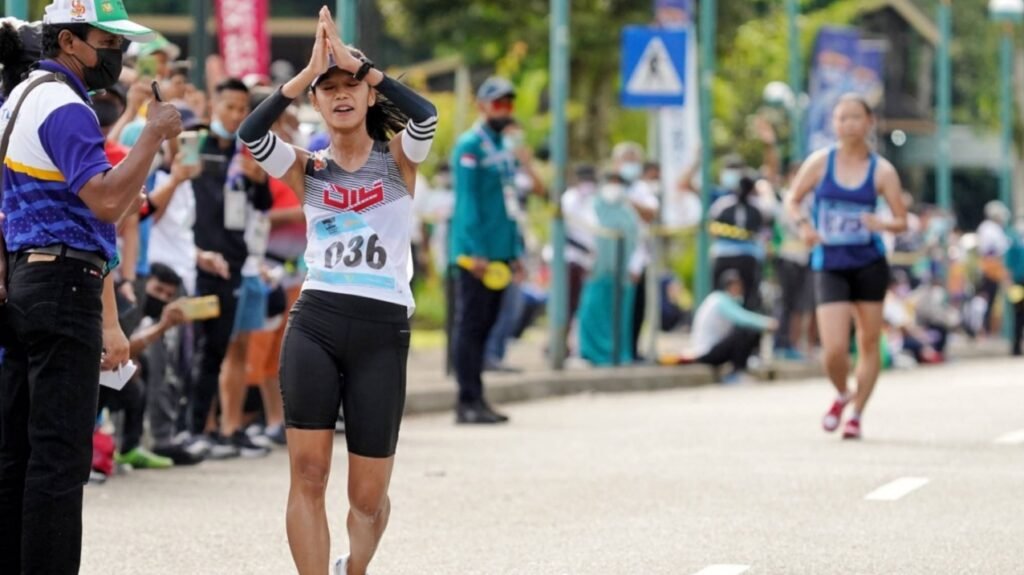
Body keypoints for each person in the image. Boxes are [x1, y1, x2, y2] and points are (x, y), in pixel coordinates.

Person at [238, 7, 436, 574]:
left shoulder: (399, 159)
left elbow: (426, 117)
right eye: (330, 90)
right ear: (317, 104)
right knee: (308, 474)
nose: (341, 94)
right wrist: (302, 79)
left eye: (351, 86)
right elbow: (250, 134)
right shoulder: (307, 167)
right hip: (317, 321)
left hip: (382, 329)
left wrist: (363, 66)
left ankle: (356, 567)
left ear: (370, 97)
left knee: (367, 498)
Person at [0, 2, 181, 572]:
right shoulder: (63, 105)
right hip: (64, 287)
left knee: (17, 453)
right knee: (58, 455)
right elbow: (103, 200)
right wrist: (152, 135)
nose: (118, 54)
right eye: (108, 40)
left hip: (25, 280)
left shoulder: (18, 99)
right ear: (70, 42)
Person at [785, 93, 907, 441]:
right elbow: (793, 200)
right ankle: (841, 393)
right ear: (833, 124)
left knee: (869, 342)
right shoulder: (820, 163)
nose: (848, 124)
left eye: (855, 117)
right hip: (831, 263)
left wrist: (881, 224)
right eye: (841, 118)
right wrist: (805, 225)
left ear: (869, 122)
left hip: (868, 262)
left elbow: (901, 219)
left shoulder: (882, 170)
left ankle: (856, 415)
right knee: (835, 347)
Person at [186, 77, 273, 459]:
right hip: (196, 262)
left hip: (235, 264)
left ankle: (219, 429)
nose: (237, 115)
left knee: (221, 347)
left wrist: (258, 179)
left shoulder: (249, 150)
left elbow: (263, 206)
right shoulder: (195, 144)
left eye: (243, 109)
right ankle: (189, 428)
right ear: (213, 107)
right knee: (193, 347)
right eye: (230, 107)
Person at [448, 75, 524, 424]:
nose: (504, 110)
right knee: (471, 326)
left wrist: (515, 250)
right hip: (475, 255)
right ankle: (466, 401)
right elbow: (467, 203)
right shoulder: (470, 146)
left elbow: (510, 205)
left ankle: (478, 398)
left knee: (487, 325)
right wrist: (475, 250)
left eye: (508, 103)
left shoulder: (504, 148)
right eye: (498, 103)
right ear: (482, 106)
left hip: (499, 251)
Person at [577, 173, 640, 366]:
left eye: (618, 183)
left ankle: (618, 355)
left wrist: (634, 266)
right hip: (597, 270)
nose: (614, 187)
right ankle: (592, 354)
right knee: (593, 311)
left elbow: (639, 241)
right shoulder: (591, 205)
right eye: (610, 182)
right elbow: (585, 235)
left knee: (620, 316)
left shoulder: (628, 210)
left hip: (623, 274)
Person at [686, 269, 778, 383]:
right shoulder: (720, 300)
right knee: (744, 331)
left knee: (749, 332)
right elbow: (742, 318)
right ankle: (736, 373)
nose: (739, 289)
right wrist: (767, 323)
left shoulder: (725, 300)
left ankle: (747, 365)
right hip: (705, 352)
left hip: (714, 350)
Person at [709, 170, 770, 311]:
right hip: (749, 256)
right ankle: (748, 322)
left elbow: (712, 226)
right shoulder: (758, 206)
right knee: (751, 292)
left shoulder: (722, 204)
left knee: (717, 293)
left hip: (722, 255)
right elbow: (765, 230)